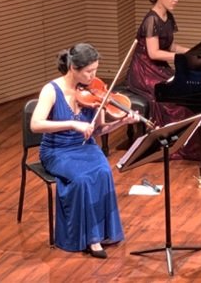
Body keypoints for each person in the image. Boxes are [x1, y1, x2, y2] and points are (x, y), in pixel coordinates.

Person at [30, 43, 138, 258]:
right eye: (89, 71)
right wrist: (72, 124)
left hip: (85, 146)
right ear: (73, 68)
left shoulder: (95, 93)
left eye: (96, 69)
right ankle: (88, 238)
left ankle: (103, 233)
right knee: (82, 179)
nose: (94, 76)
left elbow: (98, 130)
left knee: (104, 172)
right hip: (57, 150)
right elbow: (36, 124)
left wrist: (123, 122)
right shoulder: (51, 90)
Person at [127, 0, 199, 159]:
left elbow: (170, 45)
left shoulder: (167, 16)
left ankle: (191, 143)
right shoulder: (151, 20)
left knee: (186, 90)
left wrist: (191, 51)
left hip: (158, 67)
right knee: (172, 98)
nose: (176, 0)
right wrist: (181, 58)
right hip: (144, 70)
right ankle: (174, 145)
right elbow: (154, 53)